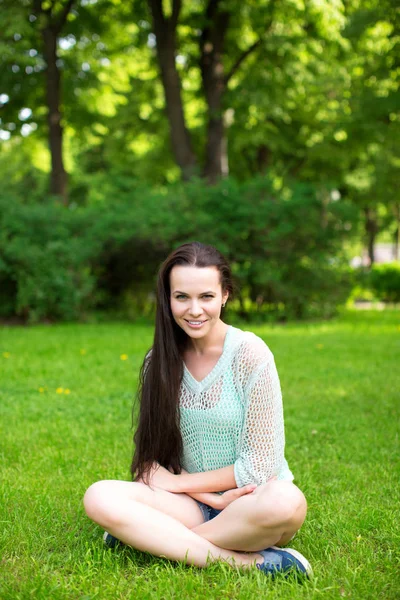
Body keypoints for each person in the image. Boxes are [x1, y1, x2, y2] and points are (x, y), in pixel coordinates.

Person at [83, 242, 311, 577]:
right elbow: (148, 461)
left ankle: (151, 540)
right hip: (190, 505)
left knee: (287, 502)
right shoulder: (157, 362)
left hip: (252, 503)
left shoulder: (250, 354)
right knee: (98, 496)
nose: (194, 310)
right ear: (168, 298)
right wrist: (209, 498)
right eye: (181, 297)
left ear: (225, 296)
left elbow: (261, 468)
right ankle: (250, 564)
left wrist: (179, 485)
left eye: (206, 296)